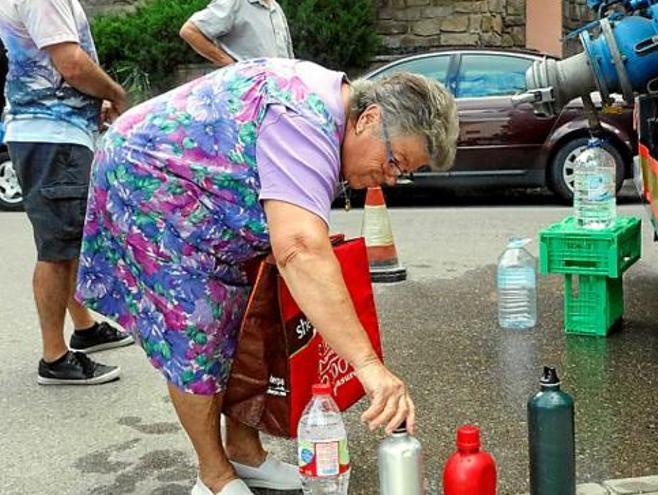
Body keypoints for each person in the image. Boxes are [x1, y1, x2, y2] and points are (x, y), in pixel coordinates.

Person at [75, 58, 458, 495]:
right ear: (369, 119)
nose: (390, 179)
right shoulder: (303, 119)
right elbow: (298, 246)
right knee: (197, 332)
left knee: (245, 324)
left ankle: (244, 451)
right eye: (395, 161)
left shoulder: (334, 117)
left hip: (210, 202)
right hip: (149, 187)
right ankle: (214, 474)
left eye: (402, 174)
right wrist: (369, 366)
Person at [0, 0, 133, 386]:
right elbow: (71, 63)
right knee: (58, 250)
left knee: (70, 239)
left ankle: (85, 328)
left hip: (53, 132)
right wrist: (116, 92)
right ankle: (54, 358)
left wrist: (96, 99)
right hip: (51, 133)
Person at [179, 0, 294, 66]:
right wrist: (229, 64)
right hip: (247, 96)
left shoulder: (276, 8)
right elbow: (190, 31)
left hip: (279, 95)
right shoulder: (234, 2)